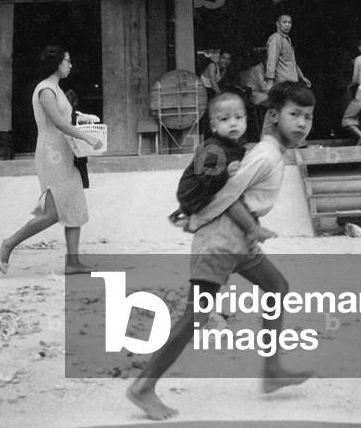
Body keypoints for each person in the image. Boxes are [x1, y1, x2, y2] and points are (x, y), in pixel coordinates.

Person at [128, 80, 316, 421]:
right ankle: (143, 387)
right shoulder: (264, 155)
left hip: (236, 242)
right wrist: (246, 226)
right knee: (195, 317)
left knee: (277, 286)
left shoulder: (269, 152)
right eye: (294, 114)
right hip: (219, 241)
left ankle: (272, 371)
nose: (302, 123)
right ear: (273, 116)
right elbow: (227, 194)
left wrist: (244, 228)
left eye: (308, 116)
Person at [0, 46, 103, 275]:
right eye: (67, 61)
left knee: (75, 206)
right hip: (51, 154)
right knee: (52, 213)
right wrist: (88, 137)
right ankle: (7, 244)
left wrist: (83, 117)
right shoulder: (45, 90)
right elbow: (59, 123)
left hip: (65, 152)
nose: (70, 65)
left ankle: (73, 262)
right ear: (57, 64)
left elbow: (67, 116)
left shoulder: (57, 89)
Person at [168, 91, 247, 226]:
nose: (233, 123)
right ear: (213, 126)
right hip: (193, 195)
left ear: (246, 119)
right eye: (224, 119)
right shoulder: (212, 149)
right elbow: (205, 179)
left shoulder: (235, 145)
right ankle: (192, 215)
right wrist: (226, 172)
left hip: (209, 189)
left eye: (238, 117)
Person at [65, 88, 100, 190]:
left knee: (69, 169)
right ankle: (84, 186)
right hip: (79, 147)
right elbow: (96, 119)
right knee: (82, 169)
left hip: (68, 146)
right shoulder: (78, 115)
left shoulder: (63, 116)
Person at [265, 15, 311, 90]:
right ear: (278, 24)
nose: (287, 25)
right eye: (284, 22)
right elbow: (271, 60)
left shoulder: (287, 39)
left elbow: (292, 62)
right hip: (283, 85)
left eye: (289, 22)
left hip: (292, 84)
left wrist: (301, 77)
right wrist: (270, 83)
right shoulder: (276, 38)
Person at [238, 49, 270, 142]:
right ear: (265, 59)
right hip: (254, 94)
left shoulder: (267, 68)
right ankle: (267, 135)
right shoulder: (258, 68)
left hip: (261, 93)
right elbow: (263, 86)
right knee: (277, 104)